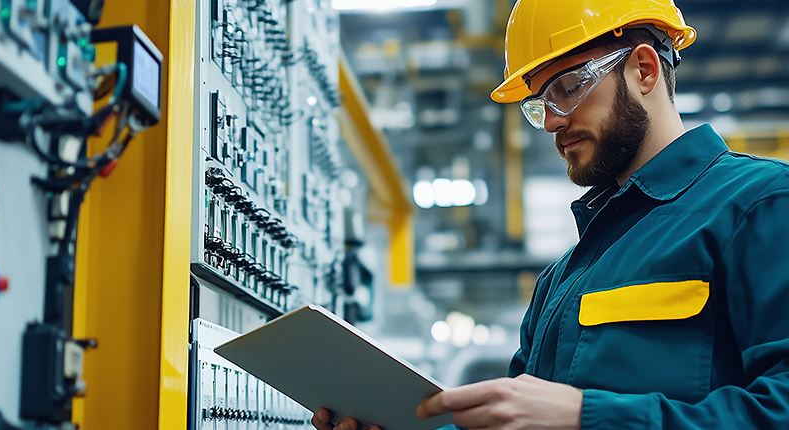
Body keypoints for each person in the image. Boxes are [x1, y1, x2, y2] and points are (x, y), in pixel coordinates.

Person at [311, 0, 789, 429]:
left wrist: (586, 417)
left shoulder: (761, 205)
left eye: (568, 86)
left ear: (644, 69)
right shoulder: (561, 279)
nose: (554, 120)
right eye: (541, 104)